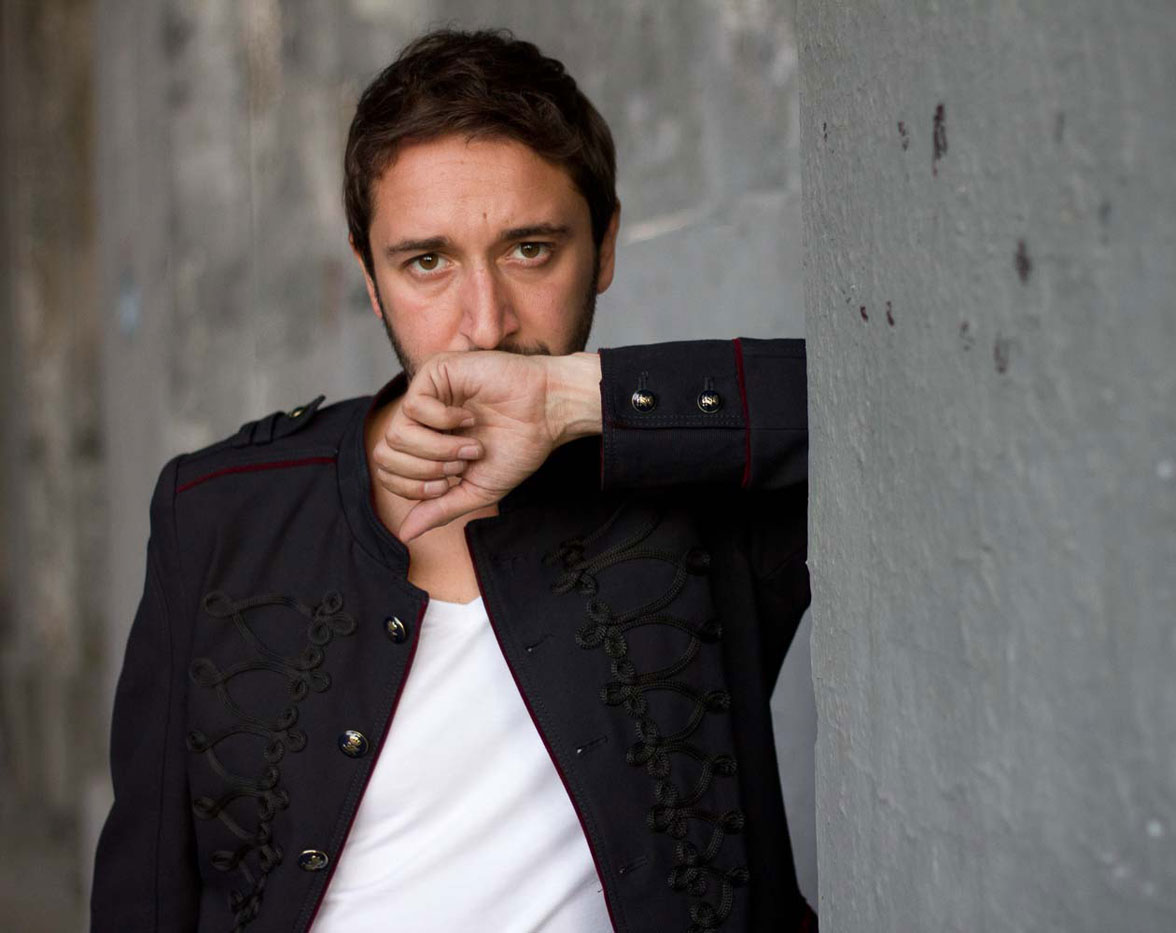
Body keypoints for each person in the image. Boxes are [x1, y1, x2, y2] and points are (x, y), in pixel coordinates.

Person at [91, 28, 812, 933]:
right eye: (426, 261)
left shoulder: (693, 493)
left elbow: (887, 398)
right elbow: (145, 893)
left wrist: (568, 399)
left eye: (530, 249)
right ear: (369, 275)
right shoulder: (220, 511)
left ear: (605, 246)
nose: (485, 324)